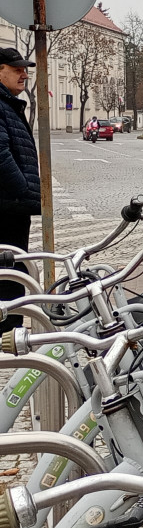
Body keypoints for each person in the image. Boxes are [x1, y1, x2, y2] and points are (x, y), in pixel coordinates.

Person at [0, 48, 40, 334]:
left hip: (13, 206)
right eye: (16, 69)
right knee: (9, 274)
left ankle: (9, 329)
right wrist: (23, 188)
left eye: (24, 68)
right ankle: (7, 333)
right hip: (6, 207)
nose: (24, 73)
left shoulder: (8, 103)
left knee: (13, 271)